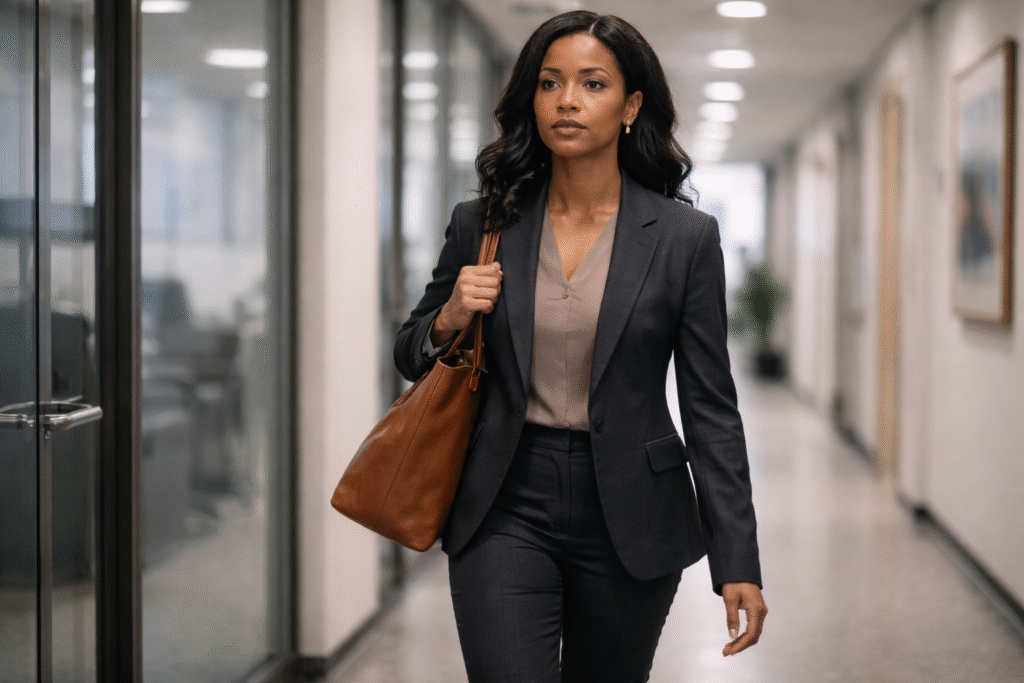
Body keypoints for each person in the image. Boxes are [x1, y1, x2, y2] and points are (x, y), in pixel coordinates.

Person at [394, 10, 766, 682]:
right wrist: (449, 315)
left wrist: (737, 558)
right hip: (506, 498)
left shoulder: (684, 240)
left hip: (632, 506)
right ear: (530, 100)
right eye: (550, 82)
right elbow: (409, 350)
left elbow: (711, 406)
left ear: (630, 106)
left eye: (592, 84)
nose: (567, 100)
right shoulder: (482, 222)